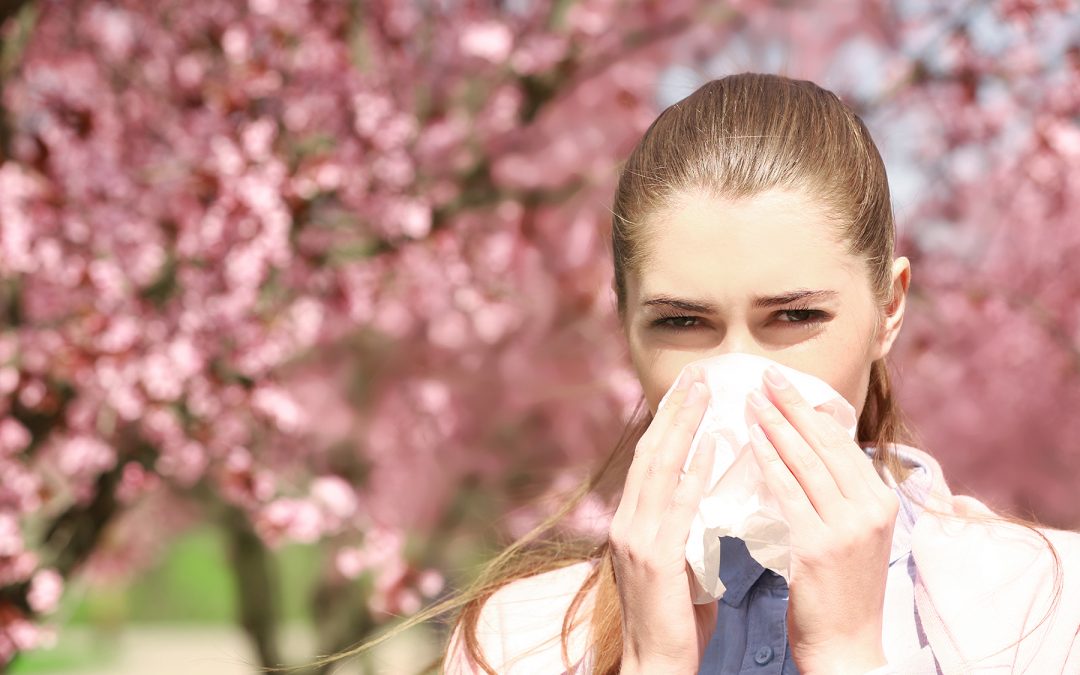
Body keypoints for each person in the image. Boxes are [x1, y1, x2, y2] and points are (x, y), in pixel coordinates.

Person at [429, 72, 1080, 673]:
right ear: (624, 325)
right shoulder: (519, 639)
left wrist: (846, 652)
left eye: (795, 316)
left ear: (889, 307)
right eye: (683, 322)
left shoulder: (1042, 605)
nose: (738, 371)